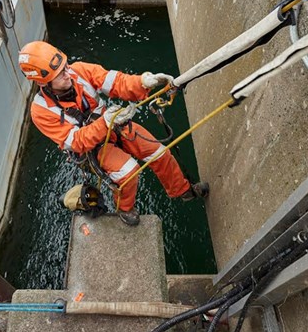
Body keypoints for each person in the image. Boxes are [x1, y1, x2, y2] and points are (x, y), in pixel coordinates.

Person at [18, 41, 208, 226]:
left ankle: (182, 190)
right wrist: (106, 122)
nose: (68, 74)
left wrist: (143, 82)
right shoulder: (41, 111)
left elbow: (116, 82)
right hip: (91, 148)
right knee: (128, 172)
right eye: (60, 74)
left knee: (159, 153)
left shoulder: (79, 71)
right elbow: (77, 142)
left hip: (113, 126)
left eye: (66, 66)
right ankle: (125, 209)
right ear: (43, 82)